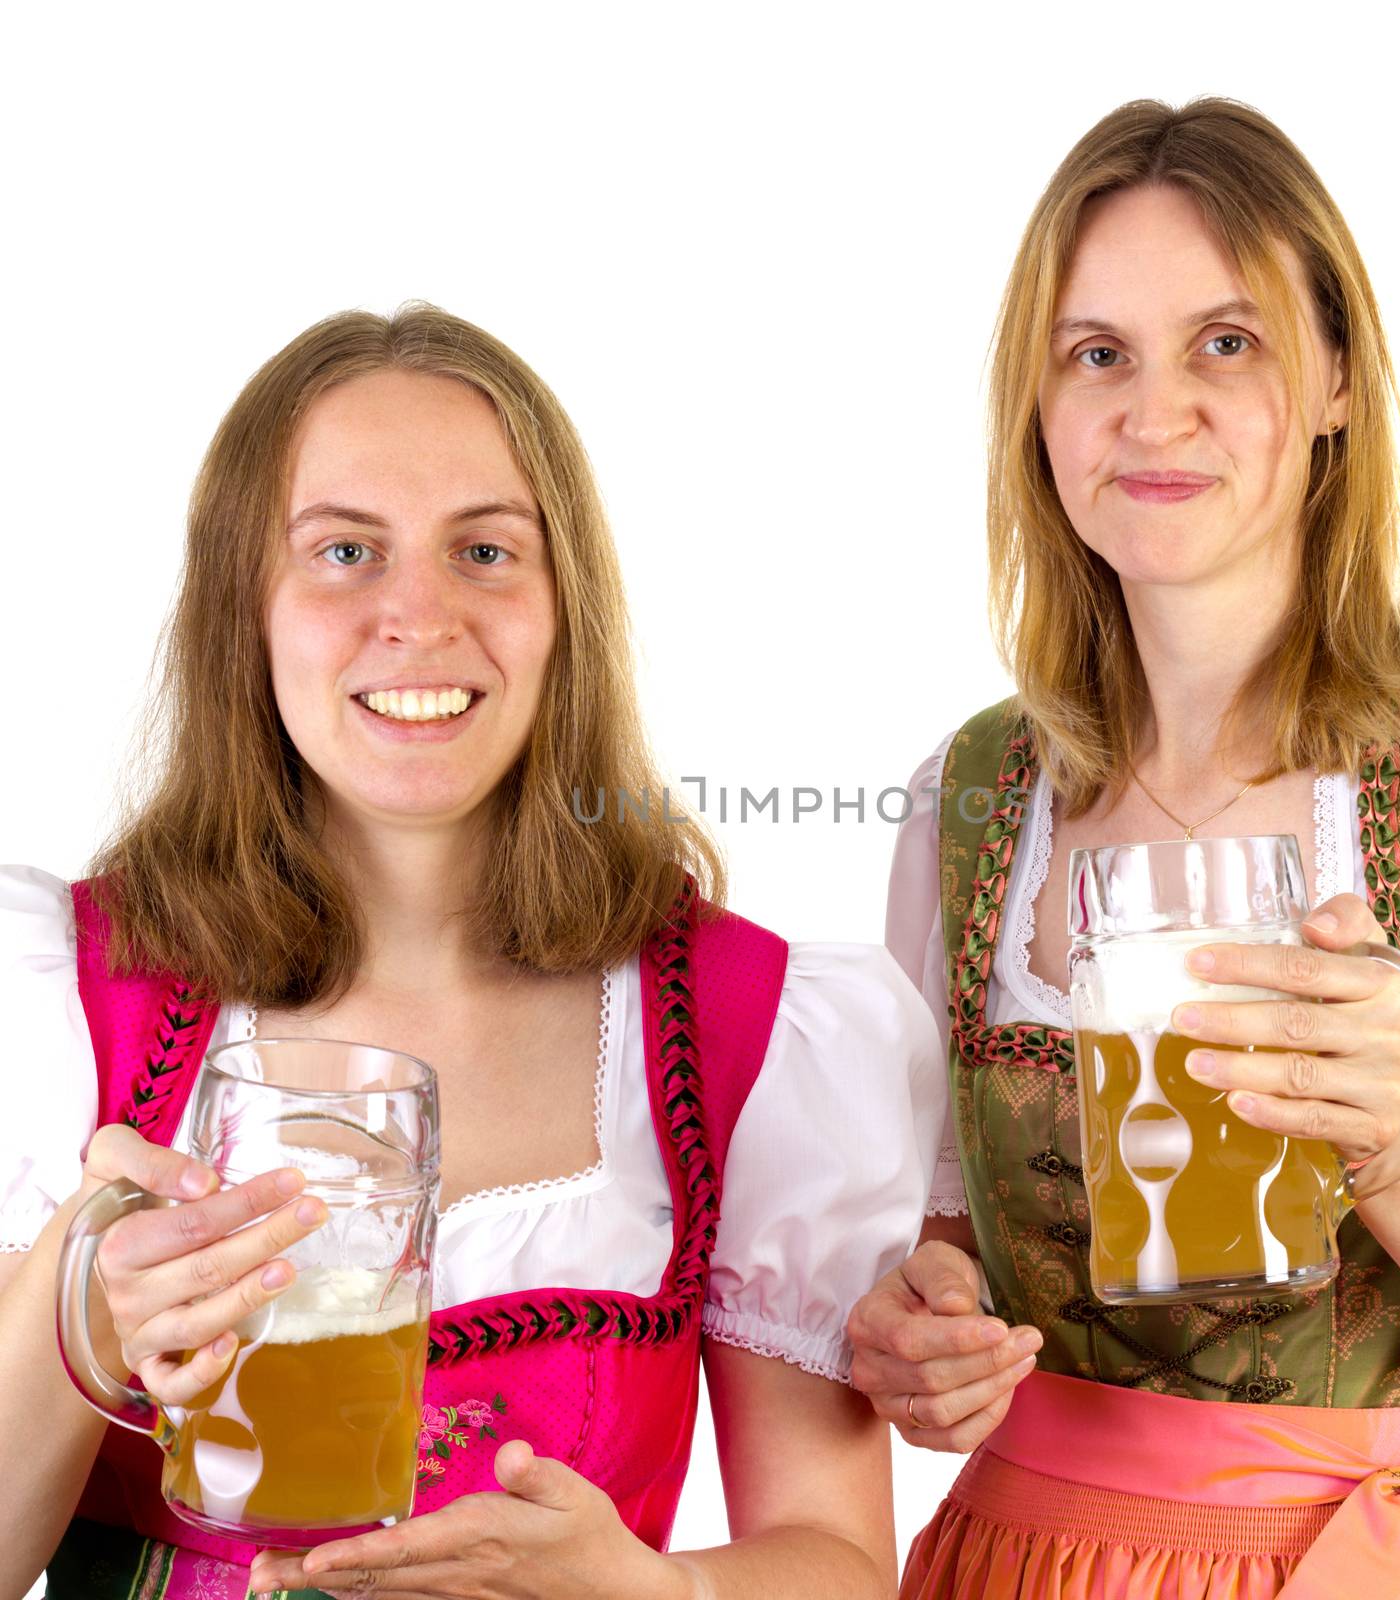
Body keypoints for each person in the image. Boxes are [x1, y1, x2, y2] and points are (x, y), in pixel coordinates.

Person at [0, 304, 942, 1600]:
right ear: (246, 607)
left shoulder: (739, 1028)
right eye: (343, 551)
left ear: (565, 608)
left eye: (486, 551)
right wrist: (79, 1305)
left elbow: (838, 1561)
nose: (420, 615)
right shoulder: (68, 1003)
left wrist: (652, 1593)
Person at [846, 97, 1400, 1597]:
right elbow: (935, 1260)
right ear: (1040, 406)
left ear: (1333, 376)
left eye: (1227, 343)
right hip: (1027, 1567)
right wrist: (911, 1335)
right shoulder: (969, 795)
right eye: (1098, 354)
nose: (1154, 412)